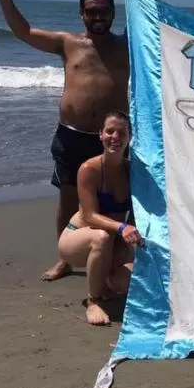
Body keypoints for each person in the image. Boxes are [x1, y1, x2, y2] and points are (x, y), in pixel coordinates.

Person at [0, 0, 130, 281]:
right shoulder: (68, 43)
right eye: (91, 11)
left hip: (112, 139)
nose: (97, 16)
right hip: (72, 136)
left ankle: (113, 258)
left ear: (113, 14)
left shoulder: (128, 46)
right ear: (81, 14)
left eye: (103, 11)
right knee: (68, 199)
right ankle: (64, 258)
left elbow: (173, 47)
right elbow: (24, 31)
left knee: (116, 200)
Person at [58, 111, 144, 325]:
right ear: (100, 134)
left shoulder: (131, 171)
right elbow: (89, 215)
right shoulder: (89, 169)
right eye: (109, 131)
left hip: (114, 238)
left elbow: (137, 210)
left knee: (122, 285)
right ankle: (93, 300)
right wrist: (123, 227)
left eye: (121, 132)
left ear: (129, 137)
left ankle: (102, 280)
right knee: (101, 237)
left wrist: (131, 233)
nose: (115, 137)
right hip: (77, 237)